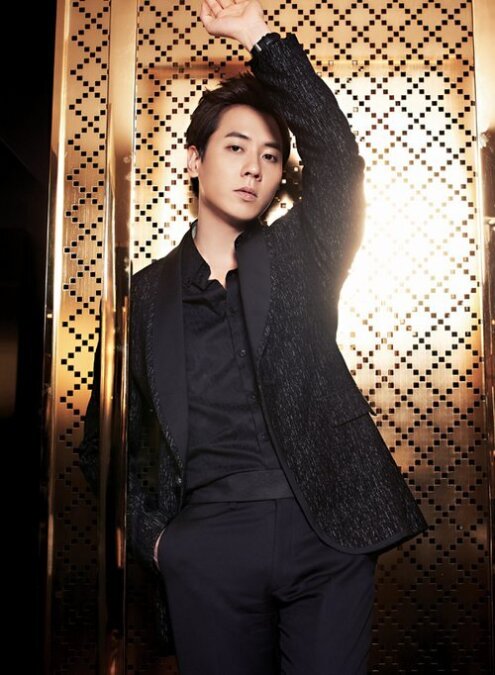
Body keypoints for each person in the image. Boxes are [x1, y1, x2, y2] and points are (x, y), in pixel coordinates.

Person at [78, 1, 428, 673]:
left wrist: (258, 37)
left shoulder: (304, 253)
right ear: (193, 159)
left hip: (326, 531)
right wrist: (159, 543)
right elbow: (104, 443)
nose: (253, 169)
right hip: (206, 543)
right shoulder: (142, 298)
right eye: (235, 148)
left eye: (270, 156)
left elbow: (336, 155)